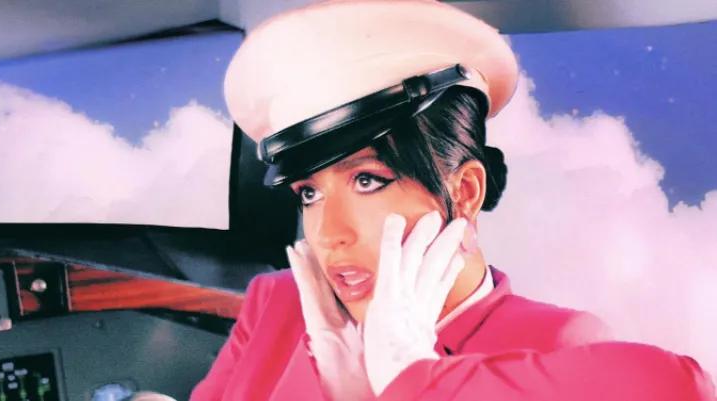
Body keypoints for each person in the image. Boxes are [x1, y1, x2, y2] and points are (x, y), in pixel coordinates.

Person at [190, 1, 716, 400]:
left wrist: (412, 377)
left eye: (368, 180)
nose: (329, 235)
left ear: (464, 192)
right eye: (309, 192)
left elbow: (681, 388)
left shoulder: (559, 340)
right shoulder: (277, 302)